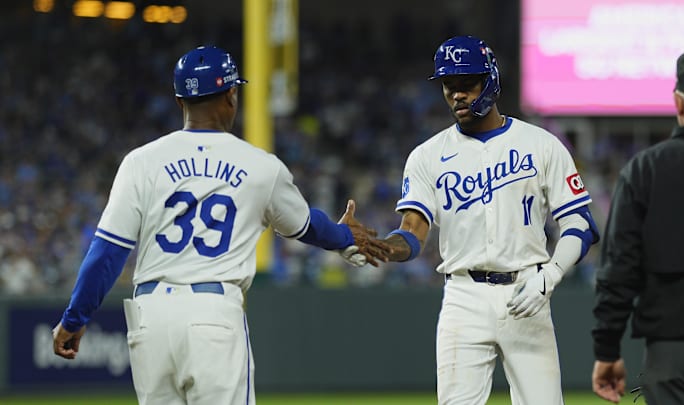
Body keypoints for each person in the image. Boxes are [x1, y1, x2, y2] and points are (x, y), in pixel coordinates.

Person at [51, 45, 392, 405]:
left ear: (180, 101)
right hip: (212, 316)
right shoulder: (261, 167)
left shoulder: (141, 162)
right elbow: (306, 226)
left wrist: (74, 319)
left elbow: (106, 252)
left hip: (149, 319)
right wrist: (345, 236)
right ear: (231, 94)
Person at [341, 35, 600, 404]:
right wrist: (380, 247)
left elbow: (579, 222)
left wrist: (551, 274)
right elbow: (412, 234)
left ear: (490, 79)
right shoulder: (427, 156)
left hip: (528, 287)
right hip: (463, 296)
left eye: (467, 84)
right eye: (449, 86)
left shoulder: (540, 144)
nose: (457, 95)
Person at [591, 49, 684, 405]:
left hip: (673, 356)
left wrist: (607, 349)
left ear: (678, 103)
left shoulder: (644, 171)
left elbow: (618, 270)